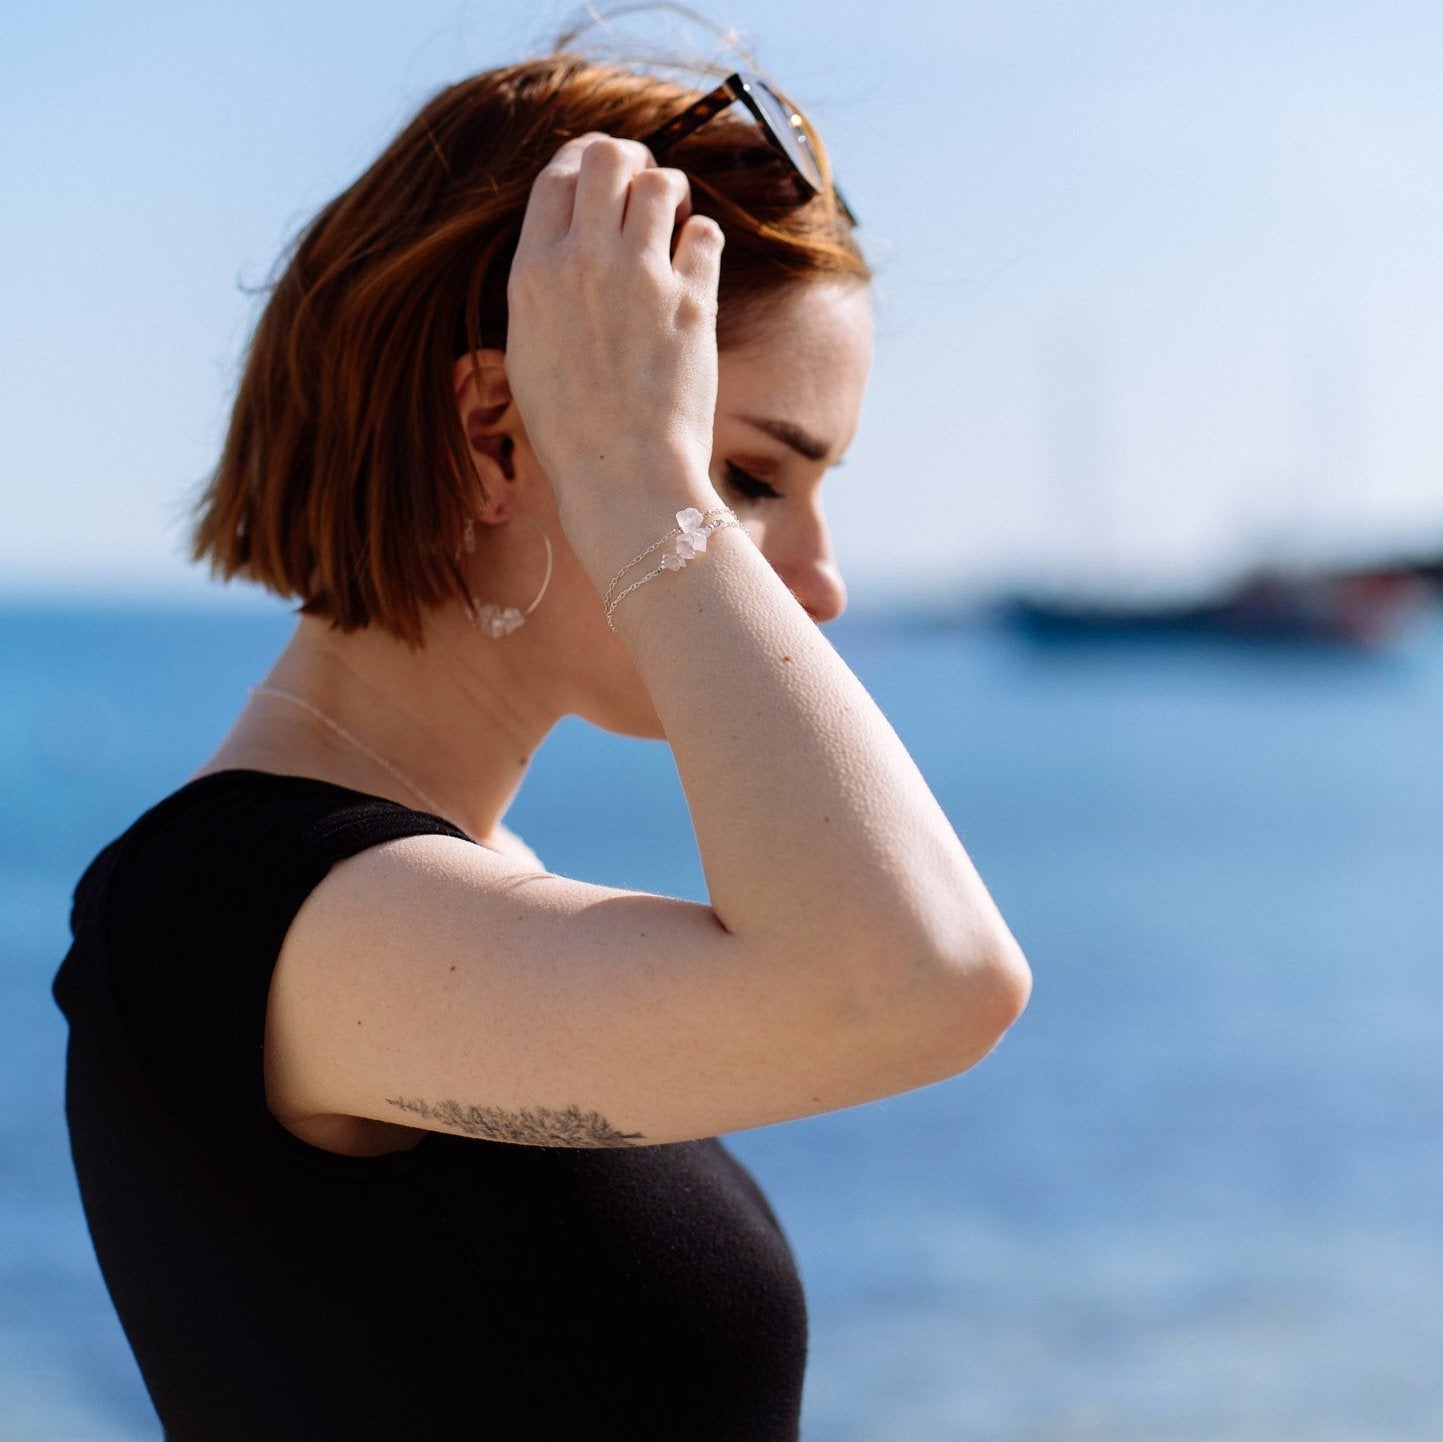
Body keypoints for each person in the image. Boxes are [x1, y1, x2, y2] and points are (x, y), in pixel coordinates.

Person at [55, 46, 1030, 1442]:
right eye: (750, 474)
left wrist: (653, 469)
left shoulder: (432, 883)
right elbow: (926, 982)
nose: (818, 584)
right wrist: (640, 472)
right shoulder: (248, 911)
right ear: (501, 434)